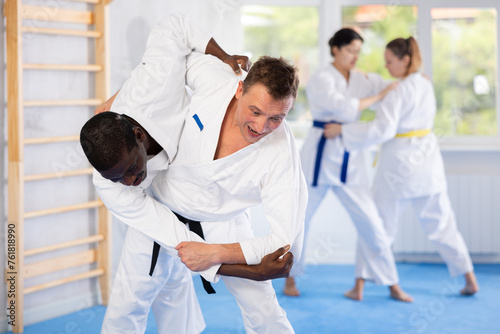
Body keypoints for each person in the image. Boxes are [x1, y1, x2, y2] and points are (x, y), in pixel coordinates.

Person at [81, 13, 306, 334]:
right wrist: (237, 269)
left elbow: (283, 243)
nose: (261, 127)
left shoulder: (280, 153)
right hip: (163, 205)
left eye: (276, 118)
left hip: (223, 220)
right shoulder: (111, 184)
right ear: (240, 90)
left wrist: (224, 55)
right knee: (128, 302)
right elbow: (181, 244)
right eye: (255, 111)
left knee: (264, 308)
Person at [324, 36, 479, 296]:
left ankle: (359, 285)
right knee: (443, 226)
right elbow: (385, 85)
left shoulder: (398, 91)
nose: (386, 67)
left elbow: (382, 130)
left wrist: (344, 130)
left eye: (389, 62)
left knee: (376, 226)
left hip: (398, 170)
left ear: (405, 60)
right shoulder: (425, 84)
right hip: (427, 164)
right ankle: (470, 279)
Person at [282, 28, 412, 302]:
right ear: (335, 49)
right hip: (318, 156)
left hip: (349, 158)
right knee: (300, 219)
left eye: (358, 52)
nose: (355, 56)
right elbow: (342, 108)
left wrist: (408, 81)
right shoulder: (320, 78)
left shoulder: (362, 79)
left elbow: (394, 89)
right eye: (351, 50)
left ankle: (392, 282)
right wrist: (377, 97)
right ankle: (290, 276)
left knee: (371, 221)